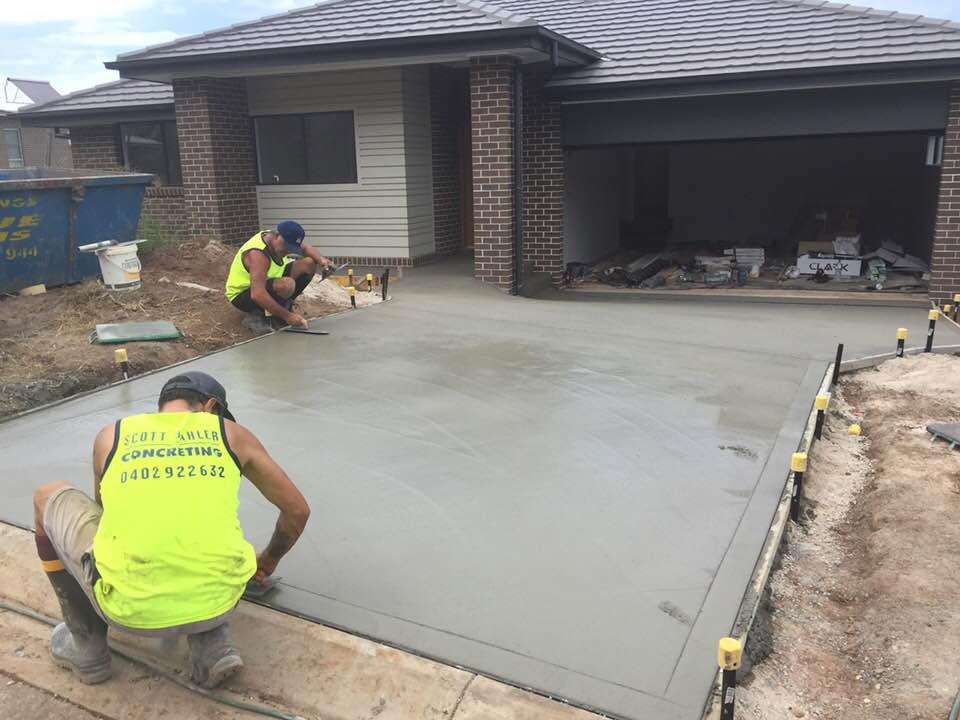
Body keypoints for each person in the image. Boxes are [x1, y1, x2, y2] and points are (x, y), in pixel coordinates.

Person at [31, 372, 310, 689]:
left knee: (46, 497)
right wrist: (267, 561)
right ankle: (212, 645)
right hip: (221, 601)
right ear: (210, 407)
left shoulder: (112, 436)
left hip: (126, 609)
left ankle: (87, 647)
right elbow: (297, 511)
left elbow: (107, 519)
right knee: (206, 524)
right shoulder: (230, 434)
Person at [225, 220, 333, 330]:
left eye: (291, 248)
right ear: (277, 236)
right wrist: (288, 316)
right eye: (287, 246)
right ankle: (258, 316)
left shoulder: (276, 238)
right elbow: (257, 294)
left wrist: (322, 260)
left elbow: (305, 248)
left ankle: (282, 306)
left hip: (269, 281)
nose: (288, 251)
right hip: (244, 295)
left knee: (308, 264)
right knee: (287, 285)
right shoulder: (258, 255)